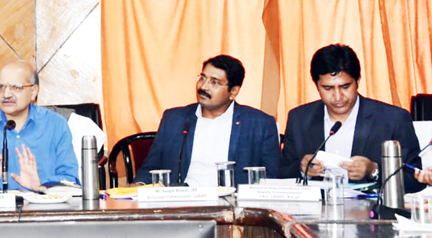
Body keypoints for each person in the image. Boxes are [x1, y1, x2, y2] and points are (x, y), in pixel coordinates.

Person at [279, 44, 424, 193]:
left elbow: (416, 179)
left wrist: (374, 171)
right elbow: (280, 174)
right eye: (328, 88)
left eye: (345, 86)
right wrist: (302, 170)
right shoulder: (299, 119)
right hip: (314, 213)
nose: (337, 96)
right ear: (317, 85)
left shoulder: (393, 119)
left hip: (372, 214)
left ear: (357, 81)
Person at [134, 55, 279, 186]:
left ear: (233, 92)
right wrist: (138, 185)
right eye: (202, 78)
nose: (203, 86)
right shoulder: (174, 119)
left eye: (214, 82)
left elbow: (273, 177)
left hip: (233, 207)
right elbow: (151, 166)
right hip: (181, 204)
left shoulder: (260, 124)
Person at [0, 60, 79, 193]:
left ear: (34, 91)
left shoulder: (56, 125)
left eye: (16, 87)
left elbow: (71, 181)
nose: (6, 94)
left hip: (44, 208)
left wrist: (41, 186)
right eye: (0, 87)